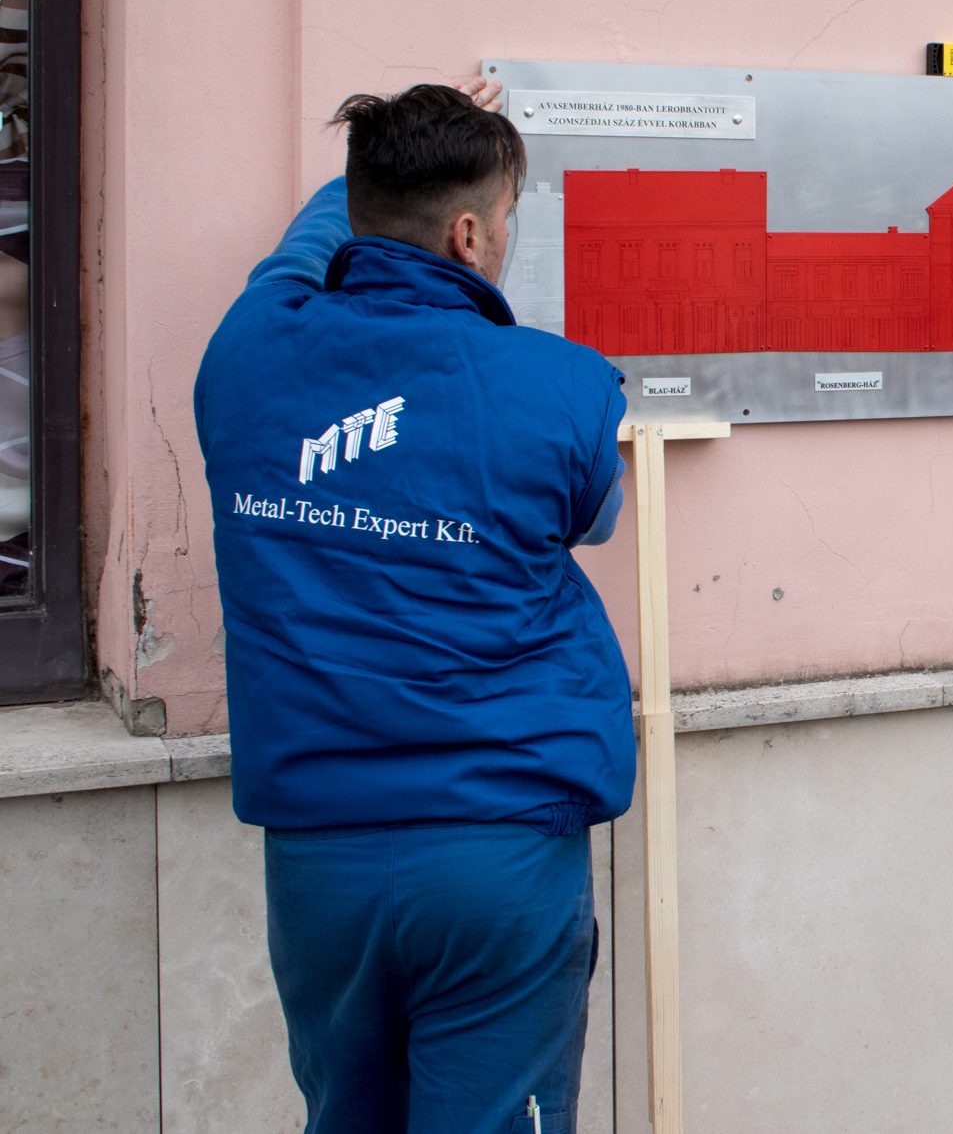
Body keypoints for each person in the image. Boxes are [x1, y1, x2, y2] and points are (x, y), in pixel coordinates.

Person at [194, 79, 635, 1134]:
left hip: (319, 859)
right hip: (497, 853)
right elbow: (595, 514)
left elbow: (298, 259)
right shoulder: (557, 386)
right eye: (507, 217)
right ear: (470, 234)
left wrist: (369, 175)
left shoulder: (246, 355)